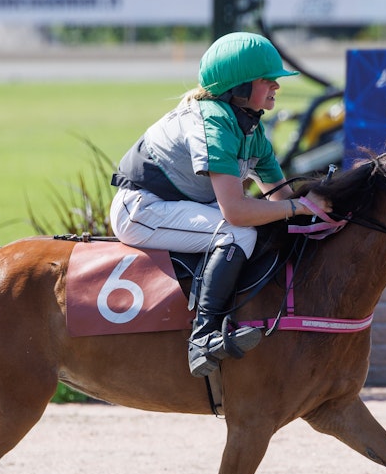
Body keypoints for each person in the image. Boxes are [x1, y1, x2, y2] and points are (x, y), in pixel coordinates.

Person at [110, 32, 330, 377]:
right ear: (239, 86)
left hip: (169, 205)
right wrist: (299, 208)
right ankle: (204, 337)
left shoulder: (251, 128)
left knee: (256, 228)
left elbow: (280, 197)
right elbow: (237, 212)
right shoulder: (213, 121)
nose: (276, 85)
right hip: (140, 210)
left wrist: (320, 211)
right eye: (267, 79)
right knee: (237, 233)